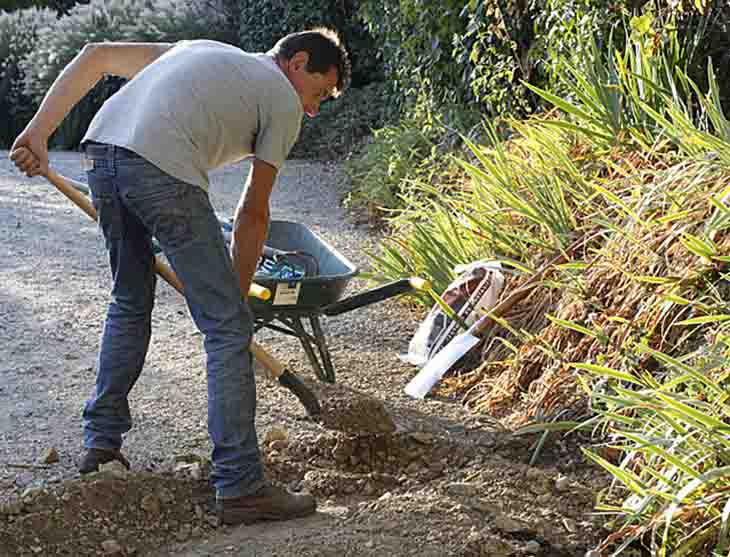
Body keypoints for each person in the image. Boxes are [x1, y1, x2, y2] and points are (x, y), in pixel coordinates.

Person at [9, 28, 350, 525]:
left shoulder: (203, 49)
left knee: (129, 300)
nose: (314, 110)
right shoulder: (282, 98)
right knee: (226, 328)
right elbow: (254, 211)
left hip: (102, 155)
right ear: (298, 62)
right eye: (318, 92)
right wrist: (235, 301)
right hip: (161, 169)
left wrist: (39, 132)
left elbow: (96, 56)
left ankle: (101, 448)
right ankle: (240, 486)